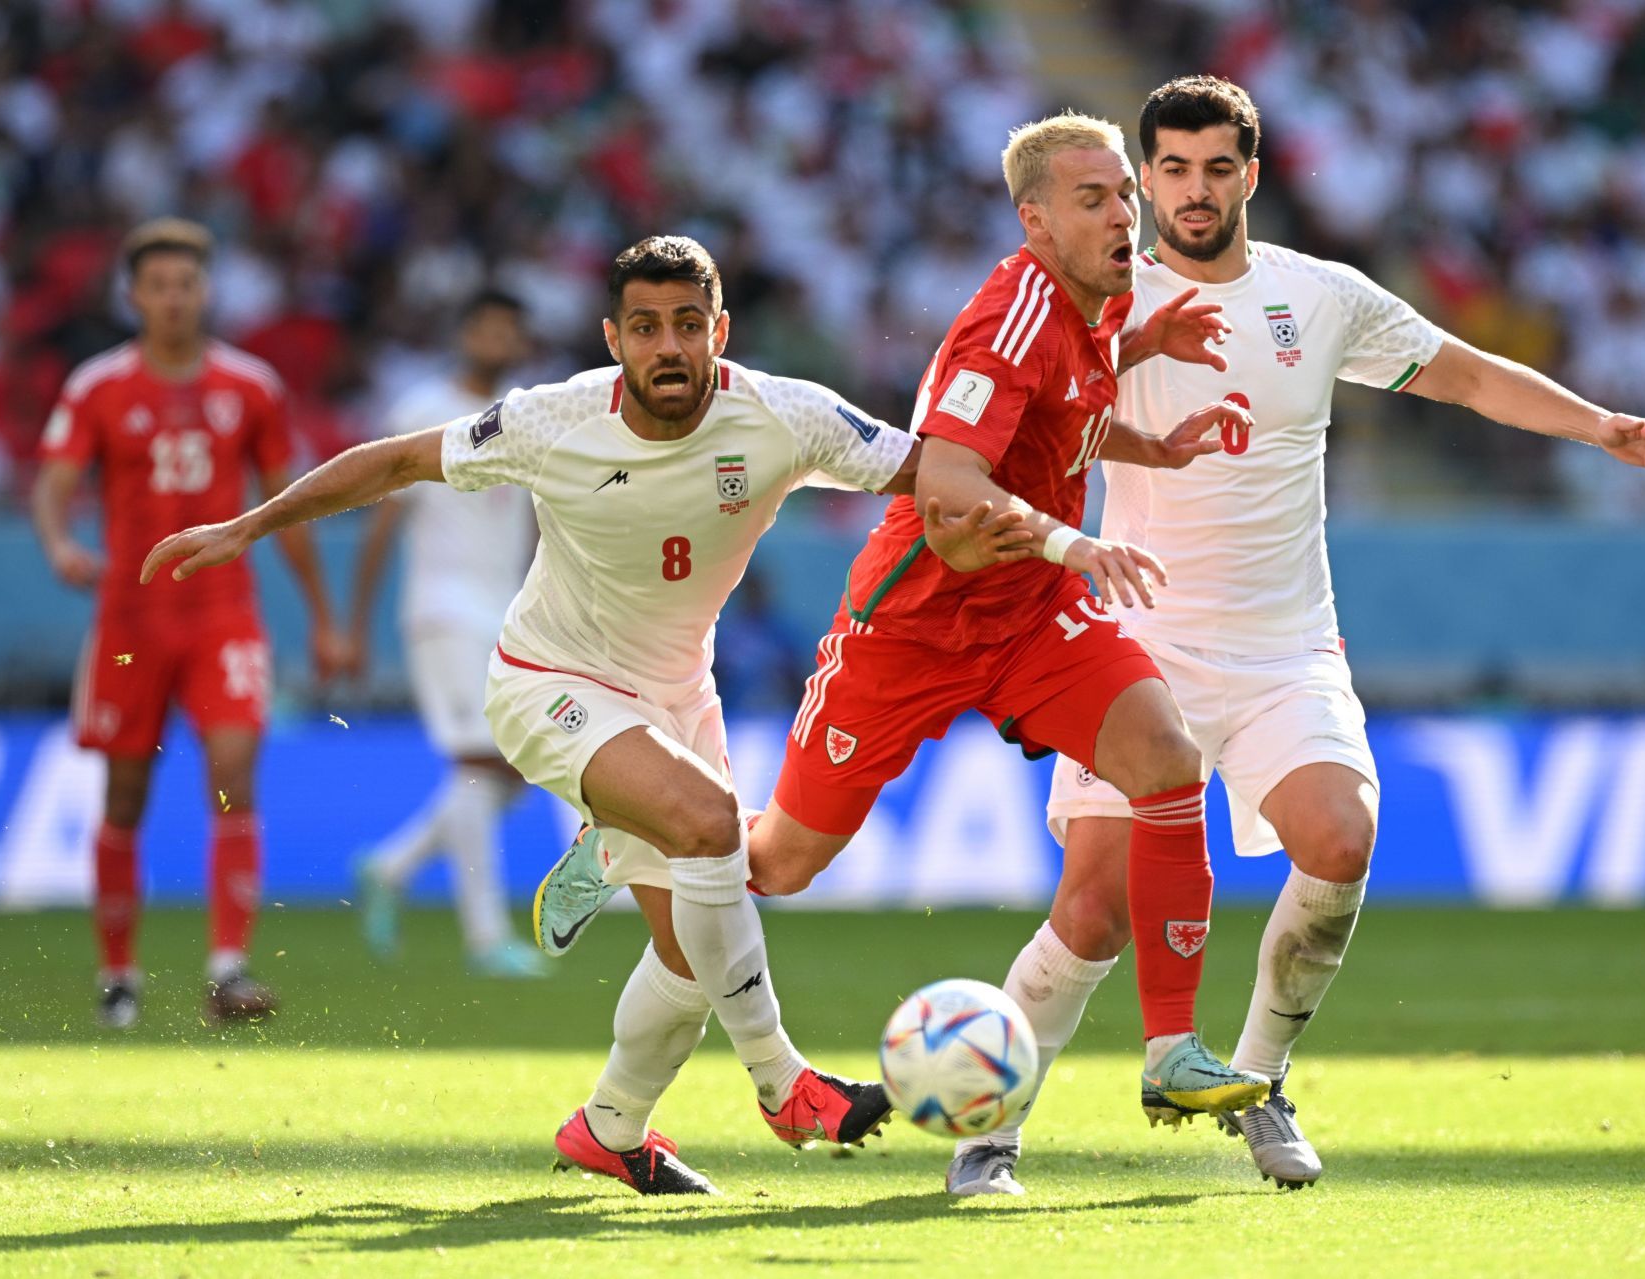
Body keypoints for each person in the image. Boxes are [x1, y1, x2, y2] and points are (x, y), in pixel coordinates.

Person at [141, 234, 1028, 1196]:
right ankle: (785, 1083)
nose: (669, 346)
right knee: (708, 826)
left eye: (689, 325)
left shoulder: (784, 414)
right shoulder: (551, 419)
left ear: (720, 331)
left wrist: (1082, 464)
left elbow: (937, 474)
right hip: (547, 680)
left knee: (695, 953)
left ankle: (608, 1126)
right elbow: (396, 462)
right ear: (613, 338)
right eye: (645, 327)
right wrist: (248, 524)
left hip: (679, 694)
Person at [1005, 75, 1645, 1196]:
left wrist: (1600, 423)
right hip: (1137, 646)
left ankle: (1258, 1079)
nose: (1193, 189)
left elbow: (1464, 374)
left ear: (1252, 177)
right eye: (1172, 169)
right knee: (1092, 911)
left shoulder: (1318, 295)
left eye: (1216, 167)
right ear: (1141, 180)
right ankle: (993, 1124)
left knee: (1342, 838)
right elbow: (1006, 416)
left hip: (1286, 647)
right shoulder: (1096, 302)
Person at [531, 112, 1275, 1145]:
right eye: (1096, 197)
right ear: (1036, 220)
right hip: (914, 622)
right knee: (778, 864)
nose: (1125, 213)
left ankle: (1171, 1054)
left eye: (1125, 195)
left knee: (1165, 757)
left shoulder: (1104, 301)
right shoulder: (1007, 316)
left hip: (1028, 615)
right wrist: (1072, 545)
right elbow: (949, 489)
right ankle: (631, 835)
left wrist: (1161, 436)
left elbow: (1070, 410)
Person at [31, 217, 351, 1029]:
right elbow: (54, 482)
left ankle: (228, 969)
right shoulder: (99, 386)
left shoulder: (250, 387)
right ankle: (118, 976)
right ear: (134, 295)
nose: (174, 299)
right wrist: (61, 541)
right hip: (132, 617)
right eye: (159, 285)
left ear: (206, 291)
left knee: (235, 772)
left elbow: (291, 504)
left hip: (222, 613)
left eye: (187, 284)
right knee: (125, 793)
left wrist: (322, 616)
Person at [348, 289, 548, 978]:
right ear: (464, 333)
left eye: (508, 330)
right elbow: (383, 518)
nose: (496, 341)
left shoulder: (525, 415)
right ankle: (486, 936)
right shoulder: (422, 409)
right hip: (441, 607)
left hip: (502, 610)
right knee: (477, 763)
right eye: (485, 327)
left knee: (518, 766)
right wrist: (353, 623)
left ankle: (392, 865)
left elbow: (529, 526)